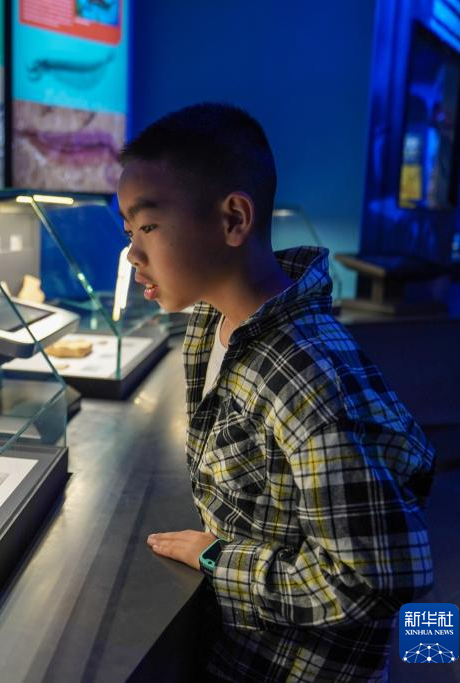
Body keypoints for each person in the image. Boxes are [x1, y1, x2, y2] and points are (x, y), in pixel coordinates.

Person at [116, 103, 435, 681]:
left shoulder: (304, 374)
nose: (133, 254)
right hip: (238, 650)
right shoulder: (210, 325)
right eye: (128, 231)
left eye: (149, 227)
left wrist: (216, 557)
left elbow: (372, 580)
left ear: (234, 219)